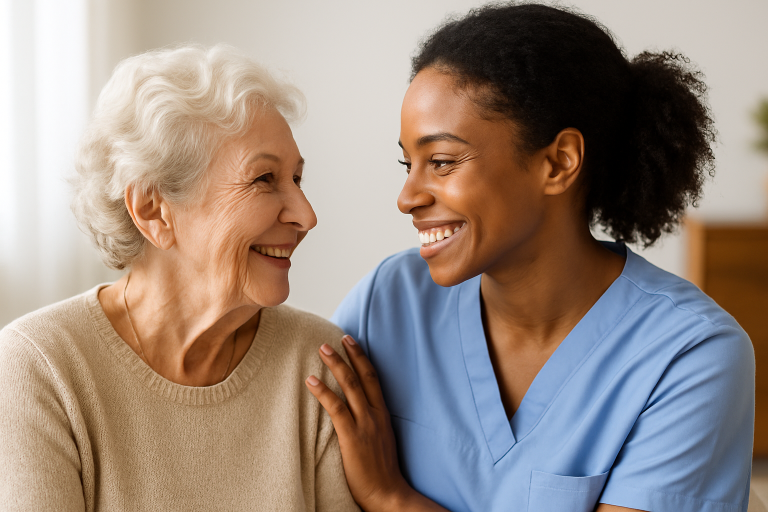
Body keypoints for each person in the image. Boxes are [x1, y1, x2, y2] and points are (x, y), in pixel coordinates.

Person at [305, 4, 755, 512]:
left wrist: (392, 498)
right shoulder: (388, 301)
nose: (407, 196)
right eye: (408, 164)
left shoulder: (690, 355)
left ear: (558, 163)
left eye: (443, 162)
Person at [0, 44, 359, 511]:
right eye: (264, 179)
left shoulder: (317, 365)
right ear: (153, 210)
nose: (306, 216)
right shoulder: (39, 369)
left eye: (297, 179)